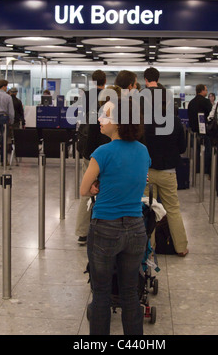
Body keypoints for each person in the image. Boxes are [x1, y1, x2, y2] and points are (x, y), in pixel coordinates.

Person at [80, 97, 151, 335]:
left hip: (105, 229)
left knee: (101, 294)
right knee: (130, 292)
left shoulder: (102, 152)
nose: (100, 119)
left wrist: (94, 186)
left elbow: (83, 189)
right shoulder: (143, 151)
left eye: (106, 116)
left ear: (120, 122)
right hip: (135, 228)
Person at [142, 67, 188, 256]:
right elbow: (183, 147)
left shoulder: (142, 120)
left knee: (146, 209)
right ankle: (181, 247)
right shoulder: (175, 121)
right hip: (169, 171)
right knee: (173, 209)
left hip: (146, 171)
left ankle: (149, 249)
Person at [75, 70, 110, 245]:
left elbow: (80, 120)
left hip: (88, 146)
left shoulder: (85, 96)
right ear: (105, 81)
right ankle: (104, 229)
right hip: (105, 146)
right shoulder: (108, 96)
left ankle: (82, 232)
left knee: (87, 189)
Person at [188, 83, 212, 175]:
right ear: (202, 90)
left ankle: (197, 167)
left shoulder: (191, 102)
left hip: (193, 131)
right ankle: (205, 168)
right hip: (204, 131)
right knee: (207, 151)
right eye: (206, 90)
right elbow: (210, 115)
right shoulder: (206, 102)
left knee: (196, 151)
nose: (206, 91)